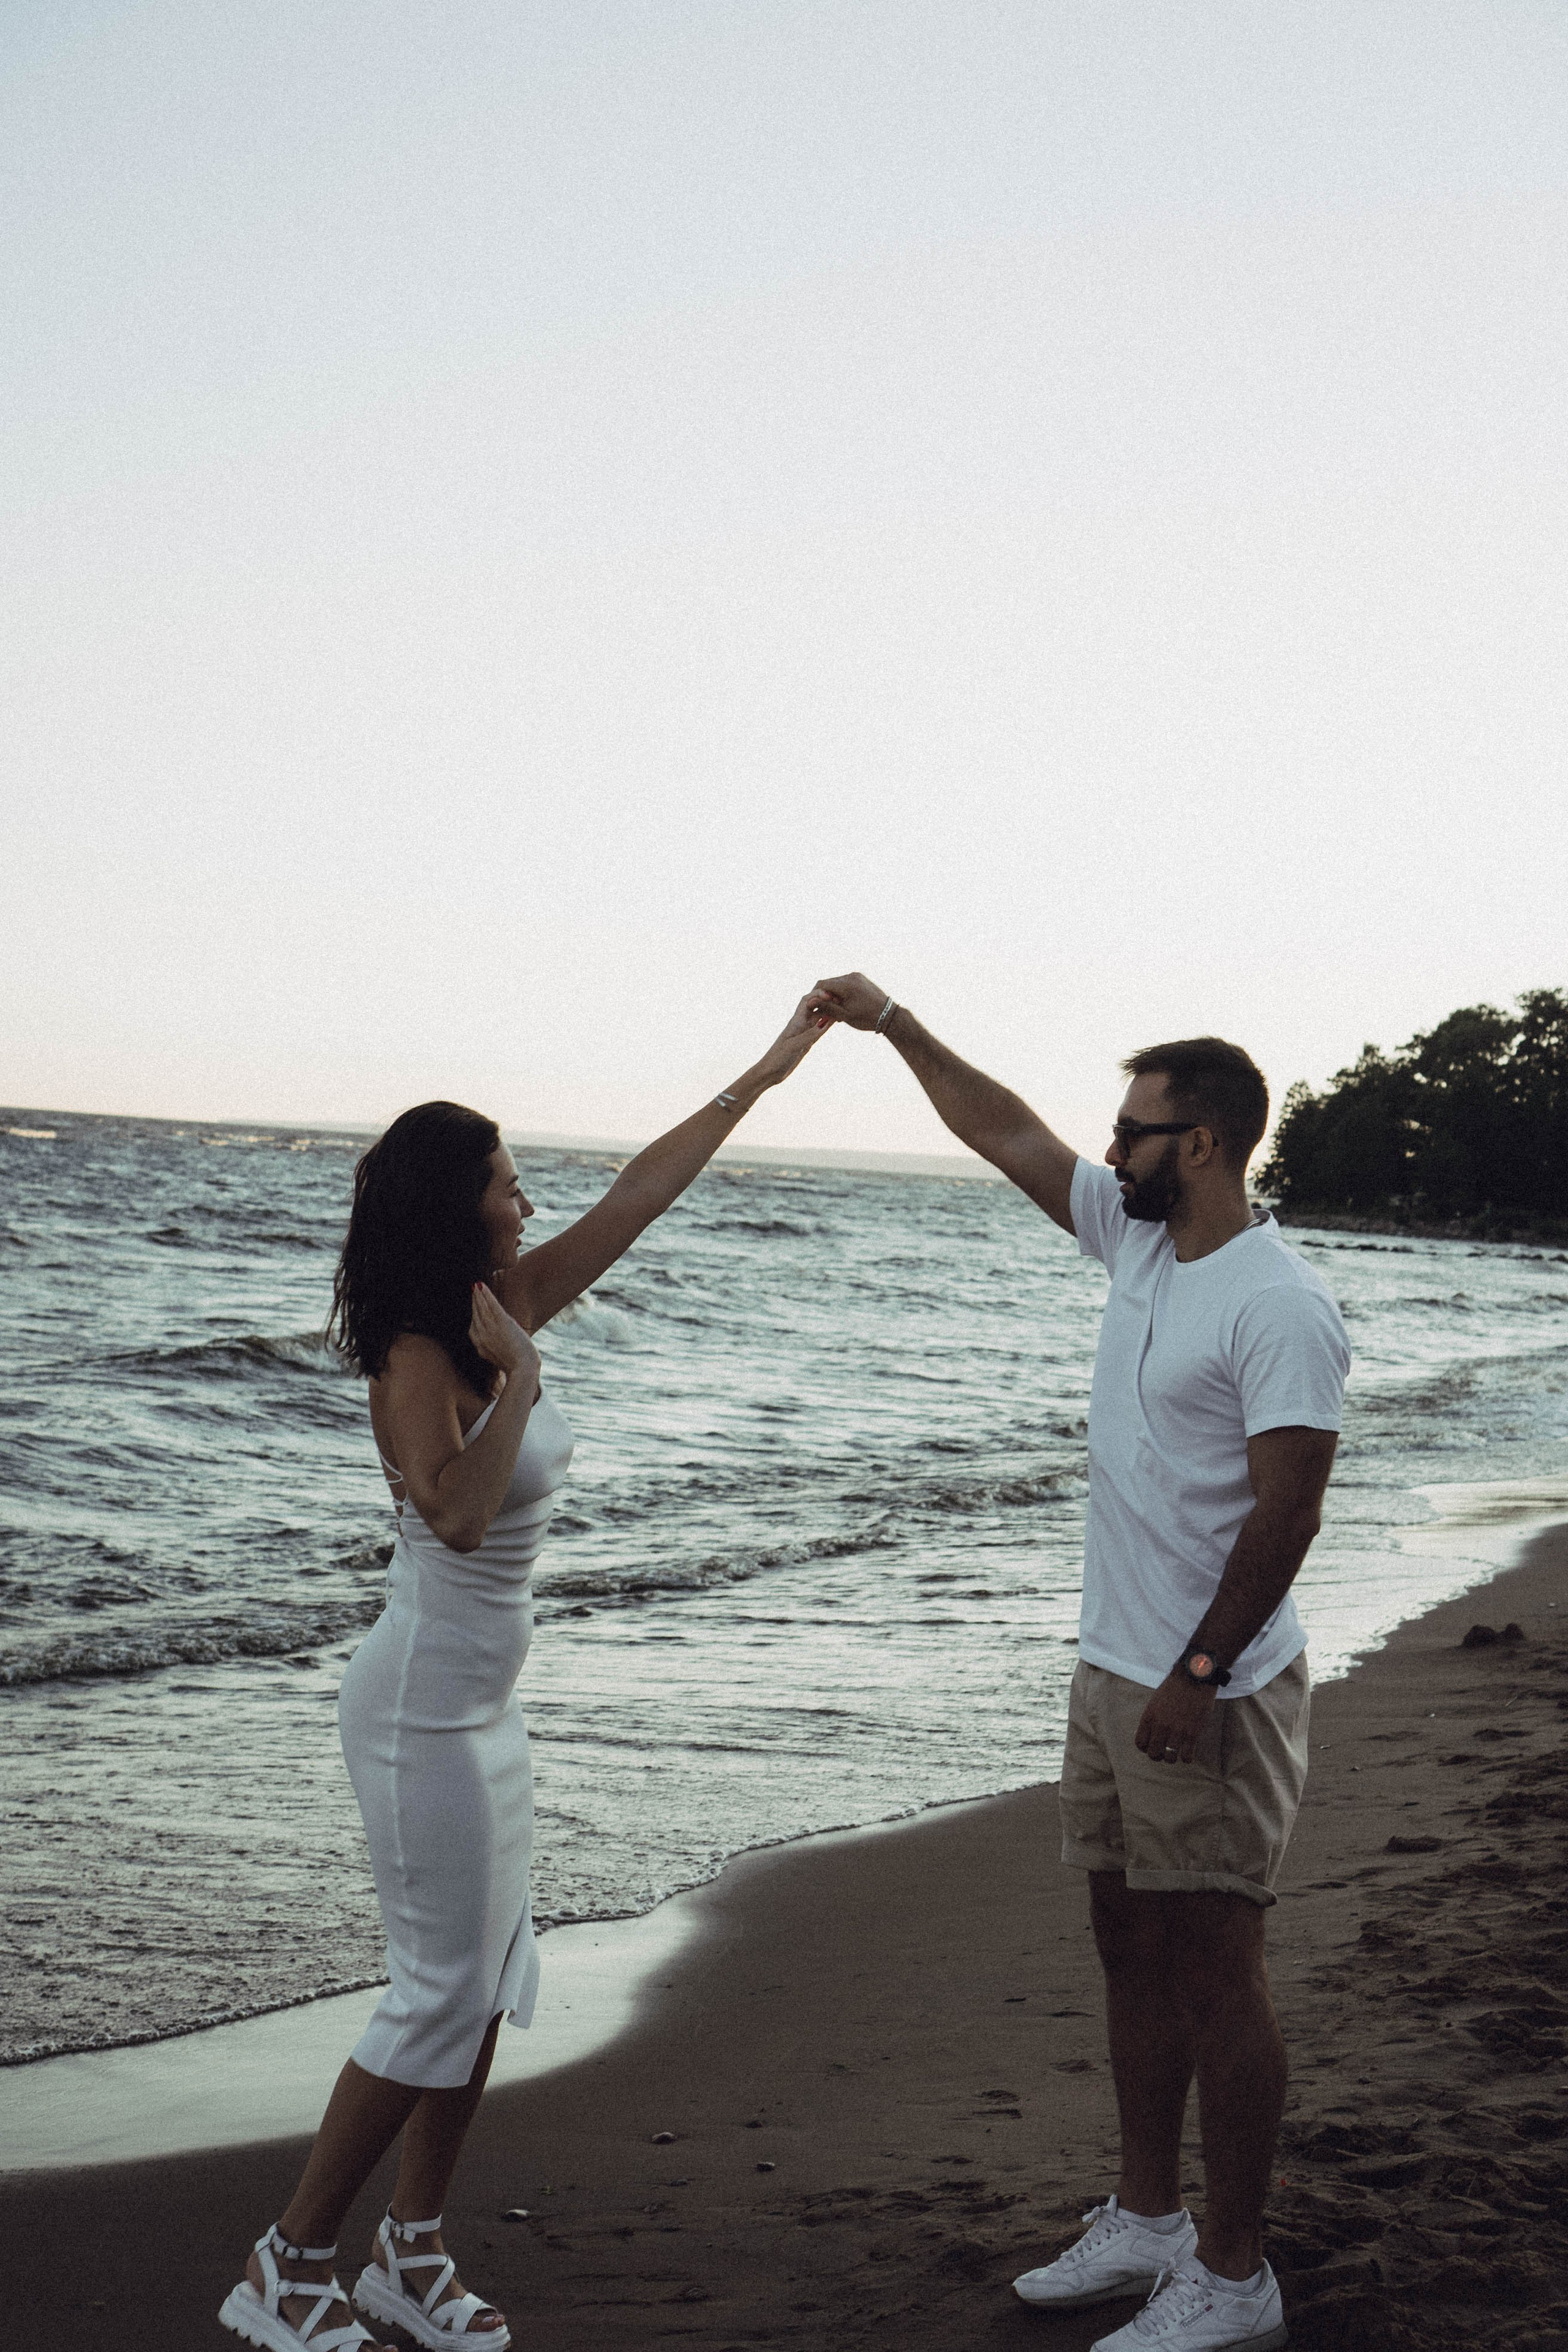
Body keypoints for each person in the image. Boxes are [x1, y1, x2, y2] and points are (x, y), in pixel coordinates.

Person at [219, 997, 826, 2352]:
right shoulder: (421, 1348)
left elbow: (637, 1194)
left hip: (480, 1708)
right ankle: (288, 2260)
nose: (525, 1198)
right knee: (432, 1987)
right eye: (505, 1182)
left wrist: (771, 1068)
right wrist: (529, 1386)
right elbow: (454, 1514)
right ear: (459, 1204)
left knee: (488, 1974)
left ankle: (410, 2254)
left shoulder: (493, 1307)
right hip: (417, 1709)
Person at [807, 974, 1348, 2352]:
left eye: (1136, 1131)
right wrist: (894, 1027)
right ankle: (1146, 2219)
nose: (1109, 1152)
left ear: (1207, 1145)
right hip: (1112, 1668)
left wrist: (1199, 1666)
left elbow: (1288, 1510)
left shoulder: (1277, 1304)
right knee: (1125, 1946)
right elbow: (1008, 1135)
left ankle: (1232, 2274)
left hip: (1206, 1685)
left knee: (1217, 1965)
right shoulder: (1143, 1247)